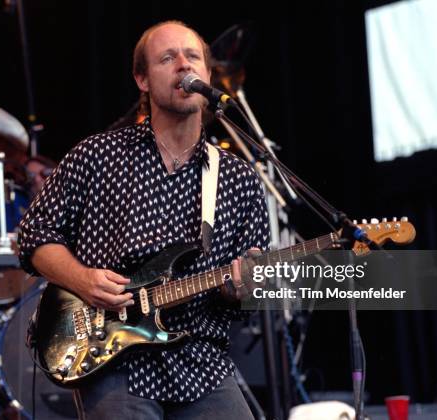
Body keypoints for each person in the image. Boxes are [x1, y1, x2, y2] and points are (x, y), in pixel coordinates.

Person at [18, 20, 269, 419]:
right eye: (167, 58)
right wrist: (83, 279)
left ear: (207, 73)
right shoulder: (97, 156)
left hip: (202, 358)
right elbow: (34, 234)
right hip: (114, 356)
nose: (183, 65)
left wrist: (241, 288)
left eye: (192, 57)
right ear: (142, 79)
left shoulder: (238, 178)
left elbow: (243, 299)